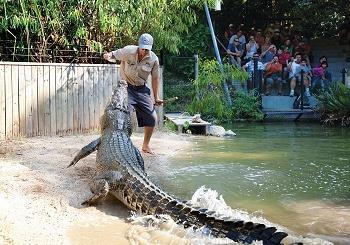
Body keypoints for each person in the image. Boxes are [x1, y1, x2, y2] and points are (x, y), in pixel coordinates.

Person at [103, 33, 163, 154]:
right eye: (142, 48)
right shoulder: (129, 51)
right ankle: (120, 145)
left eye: (147, 49)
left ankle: (145, 146)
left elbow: (155, 78)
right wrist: (108, 55)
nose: (144, 51)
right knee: (123, 117)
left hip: (141, 89)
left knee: (152, 117)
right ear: (139, 45)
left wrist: (156, 97)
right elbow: (114, 54)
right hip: (126, 89)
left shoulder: (153, 59)